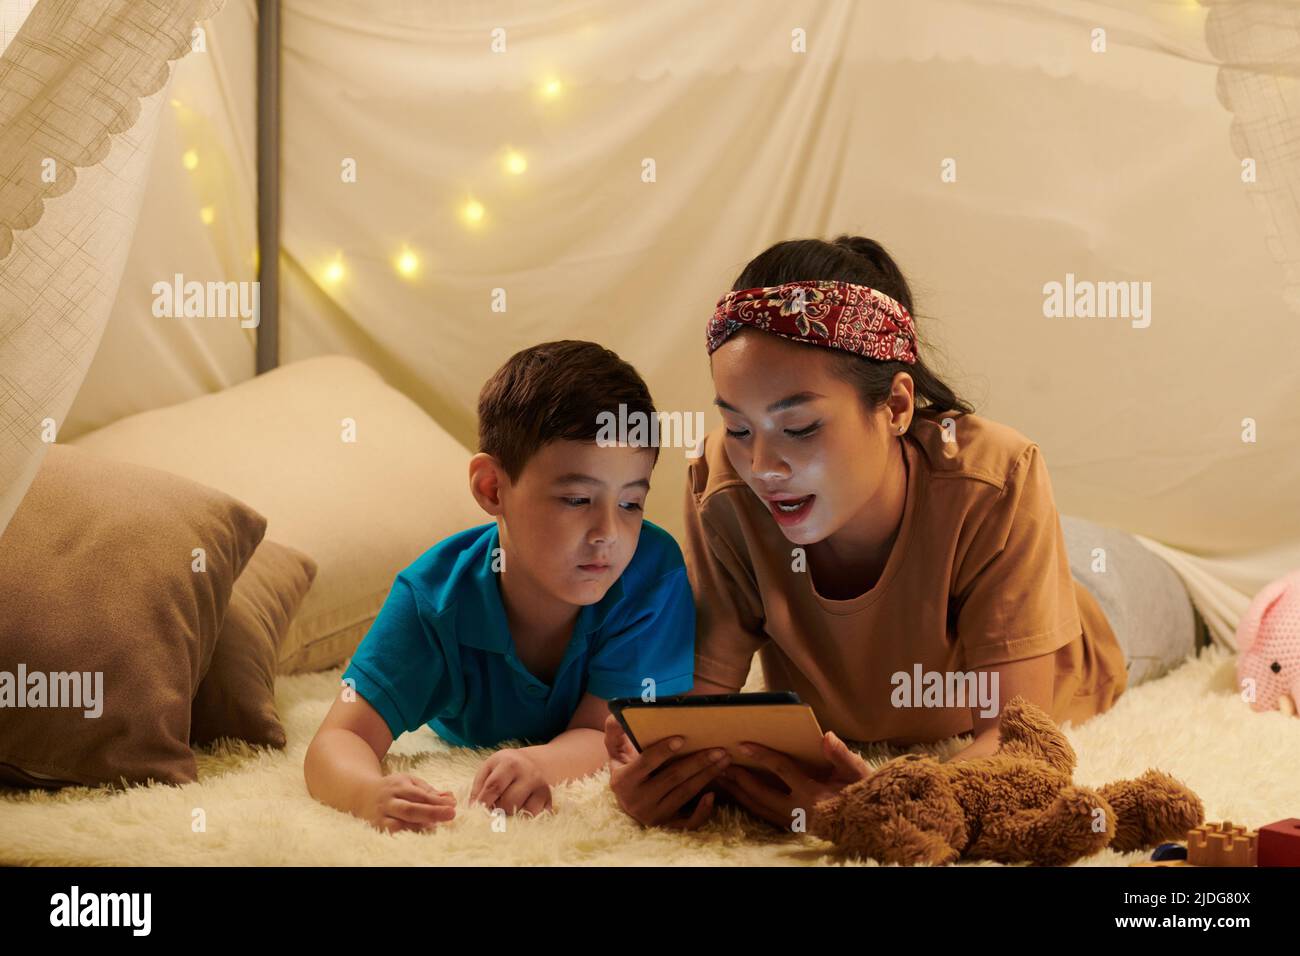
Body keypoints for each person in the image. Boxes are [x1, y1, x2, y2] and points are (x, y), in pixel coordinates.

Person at [604, 236, 1204, 831]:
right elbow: (705, 713)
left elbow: (1017, 741)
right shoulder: (726, 490)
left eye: (801, 427)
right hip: (981, 529)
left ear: (894, 406)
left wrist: (882, 803)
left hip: (1105, 602)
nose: (763, 465)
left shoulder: (1001, 474)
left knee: (1168, 579)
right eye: (738, 427)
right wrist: (658, 774)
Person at [305, 341, 695, 832]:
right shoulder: (433, 600)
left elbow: (607, 730)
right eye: (577, 499)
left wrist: (541, 765)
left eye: (631, 504)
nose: (608, 534)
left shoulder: (651, 574)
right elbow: (338, 738)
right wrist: (366, 792)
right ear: (492, 488)